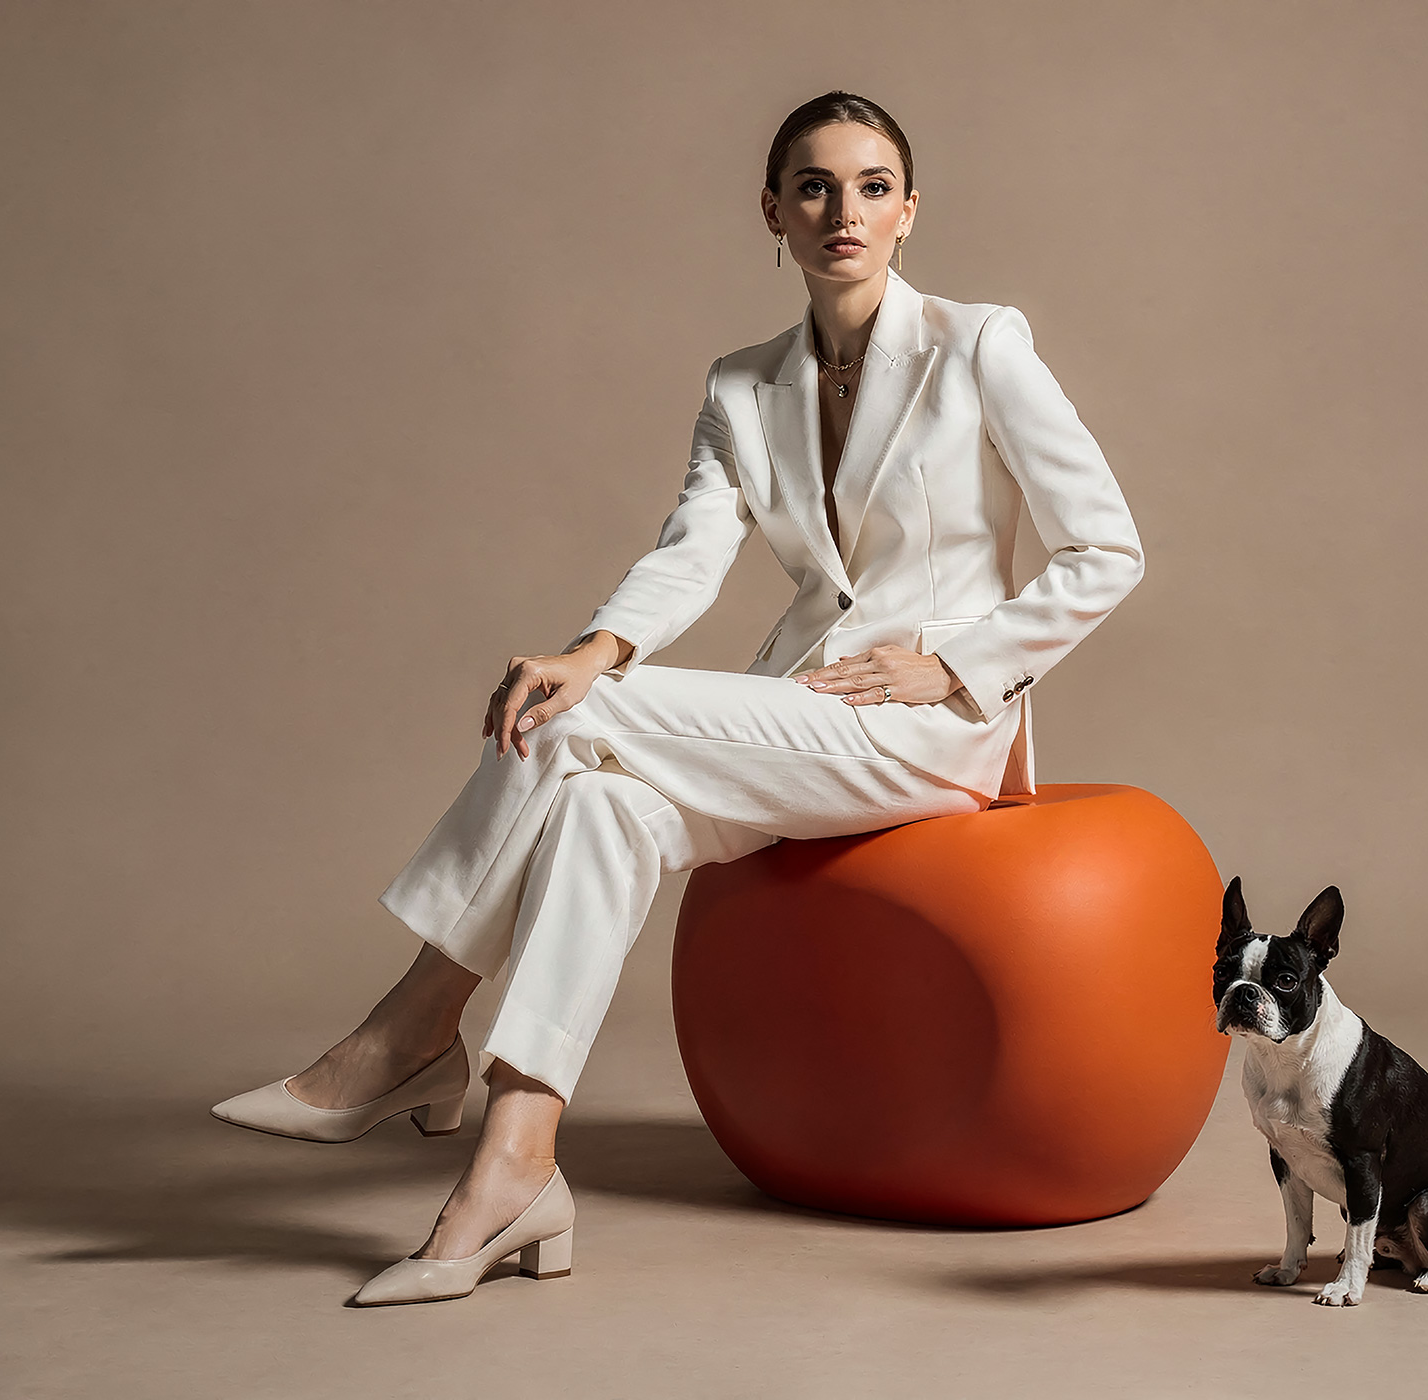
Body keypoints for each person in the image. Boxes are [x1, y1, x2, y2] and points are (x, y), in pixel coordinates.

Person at [211, 90, 1146, 1306]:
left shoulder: (982, 346)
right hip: (794, 712)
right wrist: (597, 644)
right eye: (813, 185)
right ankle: (515, 1166)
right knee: (600, 810)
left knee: (576, 720)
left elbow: (1107, 549)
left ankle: (409, 1029)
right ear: (772, 209)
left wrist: (962, 662)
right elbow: (692, 548)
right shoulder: (743, 383)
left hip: (927, 728)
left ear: (910, 212)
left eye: (872, 186)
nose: (842, 210)